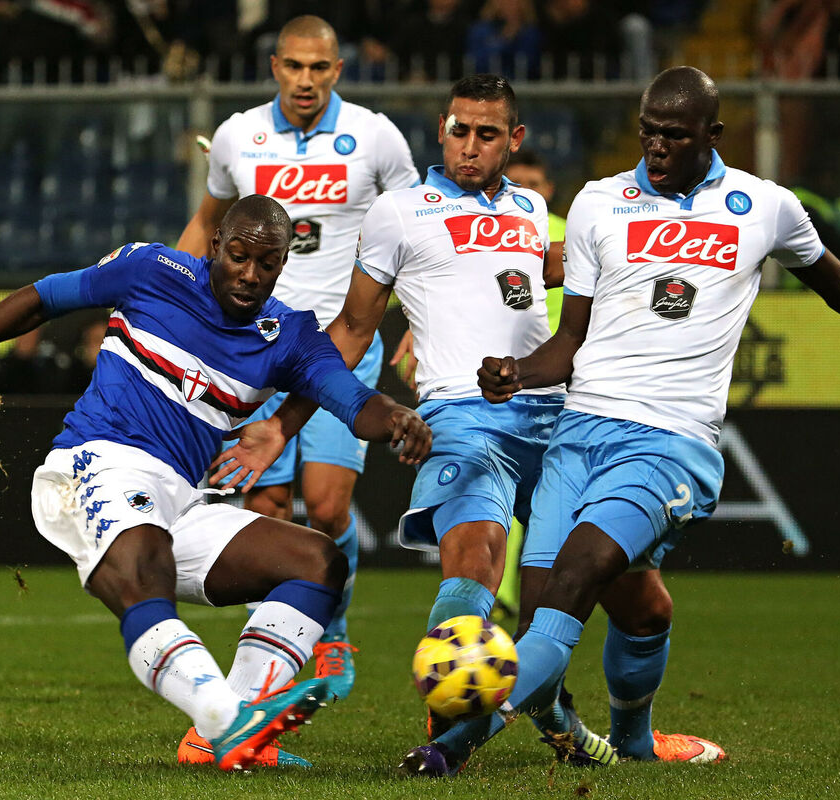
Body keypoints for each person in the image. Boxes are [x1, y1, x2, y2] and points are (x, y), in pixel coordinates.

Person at [403, 65, 840, 777]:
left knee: (575, 580)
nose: (656, 146)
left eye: (673, 134)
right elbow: (569, 342)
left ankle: (448, 749)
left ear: (712, 134)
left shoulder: (764, 206)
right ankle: (634, 742)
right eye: (648, 132)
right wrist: (518, 374)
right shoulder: (599, 203)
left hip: (669, 442)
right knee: (609, 609)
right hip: (577, 435)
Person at [0, 195, 432, 772]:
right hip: (96, 465)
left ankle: (224, 736)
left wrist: (398, 419)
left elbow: (355, 401)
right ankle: (225, 717)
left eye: (266, 263)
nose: (250, 274)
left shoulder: (289, 335)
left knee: (317, 563)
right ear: (215, 247)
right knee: (146, 561)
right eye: (238, 256)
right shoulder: (152, 270)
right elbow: (43, 298)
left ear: (283, 264)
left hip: (180, 498)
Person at [231, 74, 615, 765]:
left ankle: (564, 721)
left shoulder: (531, 208)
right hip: (463, 418)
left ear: (514, 140)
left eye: (488, 134)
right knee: (472, 564)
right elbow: (350, 331)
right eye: (459, 130)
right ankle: (449, 742)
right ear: (442, 130)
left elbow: (533, 278)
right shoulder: (399, 212)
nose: (470, 146)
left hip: (554, 418)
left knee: (560, 600)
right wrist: (283, 424)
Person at [176, 15, 419, 707]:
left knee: (328, 504)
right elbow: (207, 222)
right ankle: (271, 661)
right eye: (294, 66)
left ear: (337, 70)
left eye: (319, 68)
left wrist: (418, 322)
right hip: (255, 347)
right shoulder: (237, 136)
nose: (305, 80)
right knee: (267, 504)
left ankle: (332, 629)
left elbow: (416, 229)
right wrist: (173, 298)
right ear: (275, 66)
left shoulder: (376, 137)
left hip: (343, 344)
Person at [492, 147, 567, 621]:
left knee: (543, 499)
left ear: (549, 189)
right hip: (506, 378)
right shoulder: (497, 232)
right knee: (511, 491)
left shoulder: (566, 234)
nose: (527, 192)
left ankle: (523, 600)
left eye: (534, 184)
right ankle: (507, 595)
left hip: (564, 383)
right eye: (517, 184)